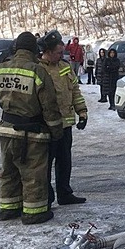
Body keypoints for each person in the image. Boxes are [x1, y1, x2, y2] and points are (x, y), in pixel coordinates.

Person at [0, 31, 63, 225]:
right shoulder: (37, 71)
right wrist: (56, 131)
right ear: (34, 49)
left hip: (6, 129)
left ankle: (8, 209)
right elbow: (49, 106)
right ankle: (34, 212)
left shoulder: (0, 69)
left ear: (15, 48)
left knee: (9, 171)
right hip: (32, 132)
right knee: (33, 173)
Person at [38, 30, 88, 206]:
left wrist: (82, 112)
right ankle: (47, 197)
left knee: (64, 161)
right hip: (46, 125)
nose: (62, 55)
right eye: (58, 52)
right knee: (44, 164)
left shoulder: (64, 66)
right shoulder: (38, 69)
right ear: (48, 51)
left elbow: (74, 91)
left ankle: (64, 194)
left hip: (65, 124)